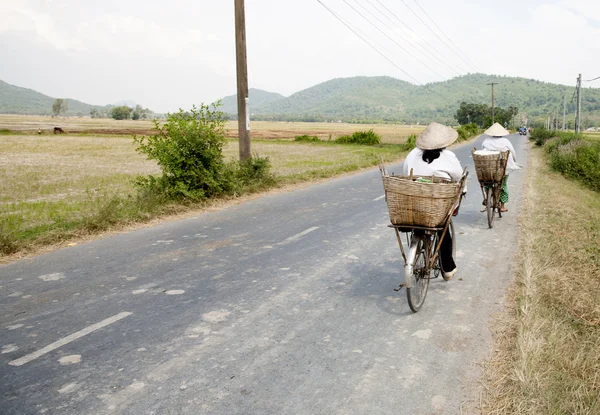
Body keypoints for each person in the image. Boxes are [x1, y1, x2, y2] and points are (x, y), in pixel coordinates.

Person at [403, 122, 464, 280]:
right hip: (435, 206)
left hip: (414, 204)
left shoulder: (412, 154)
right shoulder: (448, 157)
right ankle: (447, 269)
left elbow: (405, 173)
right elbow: (458, 178)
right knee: (443, 229)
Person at [481, 122, 519, 212]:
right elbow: (513, 152)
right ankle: (502, 206)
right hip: (503, 168)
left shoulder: (486, 141)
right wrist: (514, 161)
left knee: (487, 184)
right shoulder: (505, 141)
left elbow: (481, 153)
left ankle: (488, 201)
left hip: (489, 168)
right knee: (503, 185)